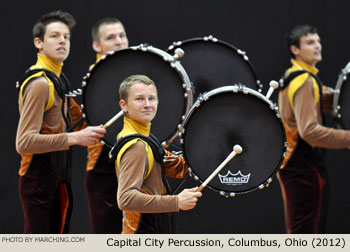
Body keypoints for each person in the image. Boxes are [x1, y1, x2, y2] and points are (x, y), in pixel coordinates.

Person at [15, 10, 106, 234]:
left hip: (58, 176)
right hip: (38, 178)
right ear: (39, 43)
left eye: (66, 36)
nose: (63, 41)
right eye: (55, 36)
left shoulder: (58, 80)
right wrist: (76, 138)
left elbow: (80, 121)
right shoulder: (40, 83)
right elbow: (24, 142)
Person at [277, 24, 350, 233]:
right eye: (310, 43)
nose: (317, 46)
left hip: (298, 165)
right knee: (305, 233)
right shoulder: (303, 82)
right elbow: (310, 132)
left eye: (318, 41)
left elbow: (325, 100)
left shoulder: (298, 75)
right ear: (295, 50)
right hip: (301, 165)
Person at [111, 75, 202, 234]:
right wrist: (176, 201)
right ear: (123, 105)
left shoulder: (146, 139)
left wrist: (210, 149)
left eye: (151, 98)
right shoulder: (136, 146)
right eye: (139, 99)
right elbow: (126, 199)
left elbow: (179, 168)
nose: (147, 105)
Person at [85, 17, 128, 234]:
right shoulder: (93, 82)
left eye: (122, 36)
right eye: (111, 38)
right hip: (104, 172)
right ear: (96, 45)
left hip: (135, 167)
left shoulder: (138, 75)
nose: (119, 41)